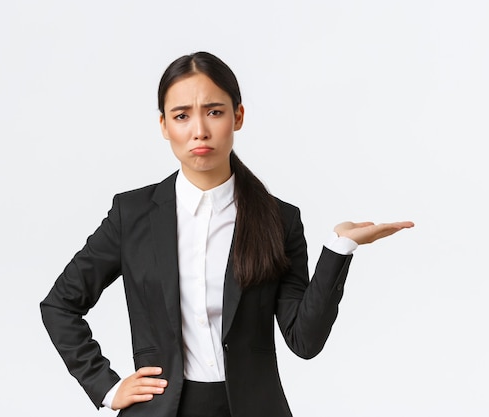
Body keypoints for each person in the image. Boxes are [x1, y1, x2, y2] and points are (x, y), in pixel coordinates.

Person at [40, 51, 414, 417]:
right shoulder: (132, 215)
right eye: (182, 115)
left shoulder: (278, 219)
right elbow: (60, 304)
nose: (199, 130)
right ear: (164, 126)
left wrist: (340, 247)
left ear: (238, 117)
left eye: (214, 112)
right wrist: (106, 386)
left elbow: (305, 340)